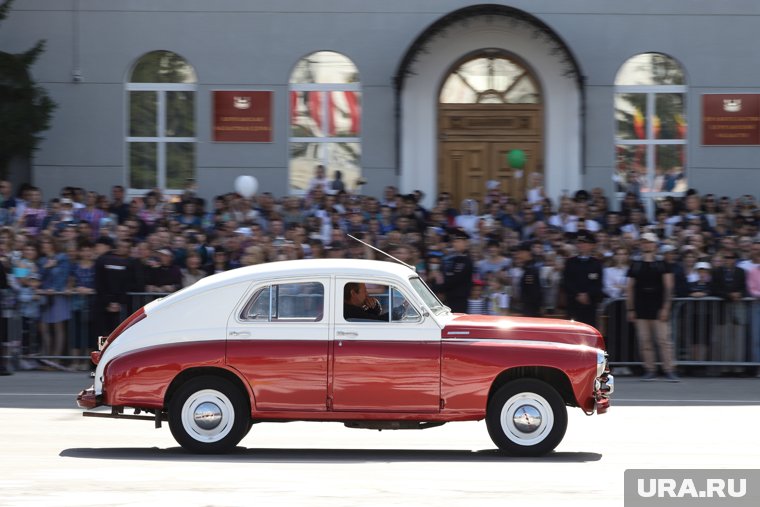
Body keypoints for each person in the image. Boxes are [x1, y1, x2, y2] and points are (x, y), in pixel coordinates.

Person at [626, 232, 679, 382]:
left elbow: (669, 287)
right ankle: (650, 369)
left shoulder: (663, 264)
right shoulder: (635, 265)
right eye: (644, 242)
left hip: (658, 307)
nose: (647, 245)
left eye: (649, 242)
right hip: (641, 308)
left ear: (655, 245)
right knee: (645, 341)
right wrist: (630, 308)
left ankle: (669, 369)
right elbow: (629, 288)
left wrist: (666, 307)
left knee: (664, 340)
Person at [562, 231, 603, 328]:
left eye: (585, 243)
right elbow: (567, 282)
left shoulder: (596, 263)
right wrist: (578, 294)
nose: (581, 245)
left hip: (589, 305)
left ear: (592, 245)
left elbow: (598, 284)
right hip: (573, 304)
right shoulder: (570, 262)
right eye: (579, 243)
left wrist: (587, 295)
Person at [431, 227, 473, 313]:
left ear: (465, 243)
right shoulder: (452, 259)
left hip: (459, 301)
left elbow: (453, 280)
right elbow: (442, 274)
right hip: (448, 299)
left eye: (458, 241)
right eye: (454, 241)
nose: (454, 244)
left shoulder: (466, 261)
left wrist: (438, 288)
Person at [516, 242, 543, 317]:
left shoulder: (530, 270)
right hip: (529, 307)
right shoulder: (529, 268)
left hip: (531, 309)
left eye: (521, 253)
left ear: (527, 253)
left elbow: (533, 292)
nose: (519, 255)